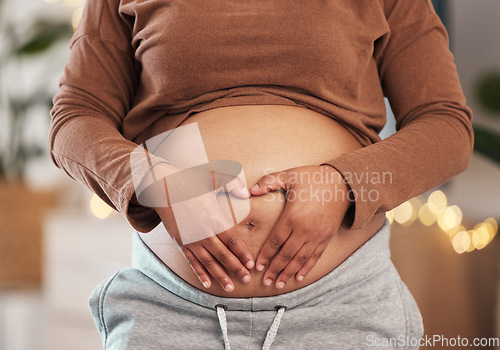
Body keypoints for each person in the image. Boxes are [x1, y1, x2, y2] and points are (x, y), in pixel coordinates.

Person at [49, 0, 473, 349]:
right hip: (171, 308)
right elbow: (74, 118)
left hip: (340, 306)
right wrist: (155, 180)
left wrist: (345, 184)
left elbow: (446, 125)